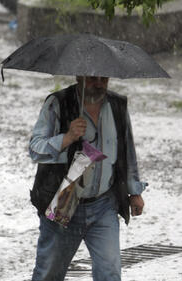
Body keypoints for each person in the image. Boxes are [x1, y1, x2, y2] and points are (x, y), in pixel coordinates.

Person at [29, 76, 146, 281]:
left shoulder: (117, 105)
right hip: (64, 202)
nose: (99, 84)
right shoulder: (58, 103)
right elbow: (35, 149)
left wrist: (134, 191)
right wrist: (67, 138)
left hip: (104, 204)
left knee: (110, 273)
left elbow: (127, 151)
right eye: (92, 78)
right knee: (48, 273)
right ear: (79, 76)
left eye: (103, 79)